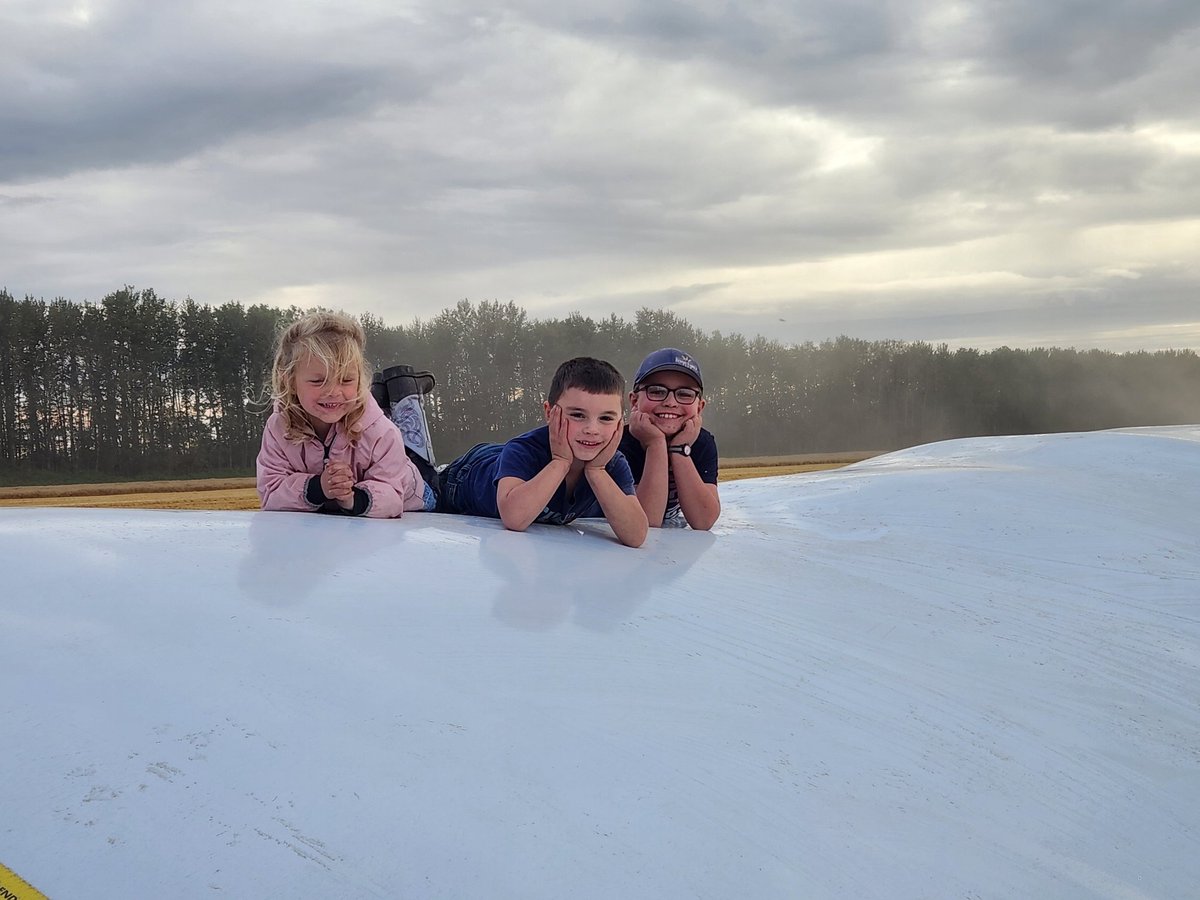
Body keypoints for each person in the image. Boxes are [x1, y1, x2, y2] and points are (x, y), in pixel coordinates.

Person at [438, 357, 648, 548]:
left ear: (621, 422)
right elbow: (514, 518)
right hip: (465, 474)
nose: (592, 429)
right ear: (549, 413)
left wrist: (597, 471)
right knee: (424, 490)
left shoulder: (611, 463)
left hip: (509, 460)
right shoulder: (523, 451)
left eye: (606, 418)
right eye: (577, 415)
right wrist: (561, 462)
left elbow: (636, 536)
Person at [256, 311, 434, 517]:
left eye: (346, 380)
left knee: (419, 458)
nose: (333, 391)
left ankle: (406, 391)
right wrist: (317, 488)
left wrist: (353, 498)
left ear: (359, 379)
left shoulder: (382, 432)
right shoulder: (279, 428)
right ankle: (386, 396)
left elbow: (393, 496)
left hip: (417, 492)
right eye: (318, 381)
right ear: (289, 381)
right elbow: (270, 492)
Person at [619, 348, 720, 530]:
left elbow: (704, 521)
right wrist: (655, 443)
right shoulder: (618, 443)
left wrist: (680, 449)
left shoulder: (701, 443)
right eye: (657, 391)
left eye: (685, 394)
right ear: (634, 401)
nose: (671, 402)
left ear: (699, 407)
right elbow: (646, 521)